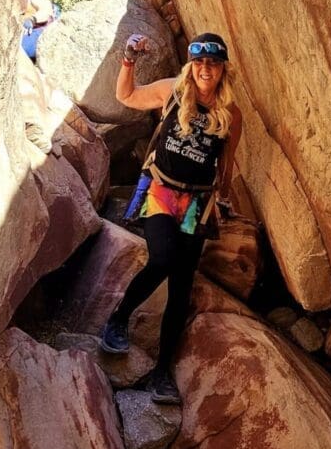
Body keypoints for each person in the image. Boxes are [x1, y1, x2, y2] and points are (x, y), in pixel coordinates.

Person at [100, 31, 242, 404]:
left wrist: (224, 201)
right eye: (199, 62)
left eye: (212, 63)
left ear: (222, 68)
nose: (205, 69)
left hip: (196, 203)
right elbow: (126, 96)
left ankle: (161, 373)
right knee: (162, 258)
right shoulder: (172, 91)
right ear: (191, 65)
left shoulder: (230, 114)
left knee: (182, 285)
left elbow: (225, 166)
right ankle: (118, 318)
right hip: (161, 190)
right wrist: (129, 58)